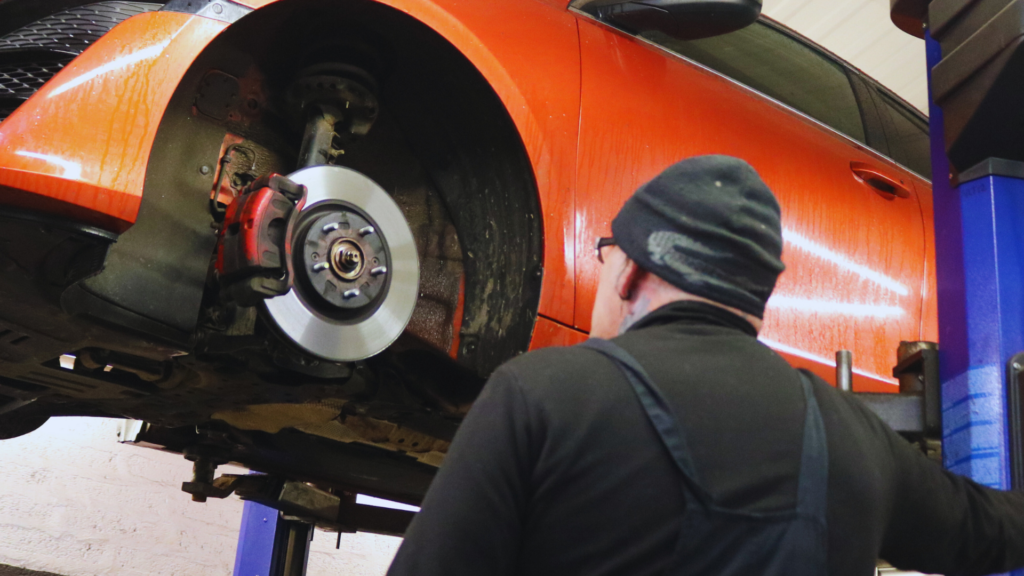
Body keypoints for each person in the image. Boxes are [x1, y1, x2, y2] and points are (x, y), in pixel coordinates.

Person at [386, 155, 1024, 576]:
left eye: (607, 252)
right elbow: (992, 531)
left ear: (632, 267)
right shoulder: (857, 439)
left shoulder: (537, 397)